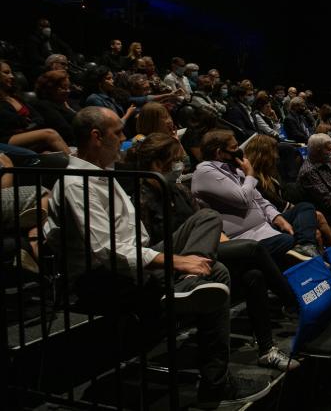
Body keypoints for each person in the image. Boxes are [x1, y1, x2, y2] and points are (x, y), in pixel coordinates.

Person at [46, 107, 271, 405]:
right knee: (217, 273)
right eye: (118, 133)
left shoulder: (103, 173)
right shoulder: (78, 183)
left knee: (206, 217)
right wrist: (175, 261)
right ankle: (216, 386)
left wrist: (179, 260)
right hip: (105, 278)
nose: (124, 138)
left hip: (139, 260)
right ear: (96, 137)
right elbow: (106, 250)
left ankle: (189, 282)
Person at [128, 132, 298, 371]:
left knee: (254, 274)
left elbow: (208, 227)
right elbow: (146, 248)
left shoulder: (179, 191)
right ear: (158, 164)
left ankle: (267, 349)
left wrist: (227, 245)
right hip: (172, 266)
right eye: (177, 160)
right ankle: (294, 303)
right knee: (254, 250)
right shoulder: (141, 200)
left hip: (204, 255)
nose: (182, 165)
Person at [191, 130, 316, 266]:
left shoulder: (235, 170)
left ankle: (305, 247)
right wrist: (250, 174)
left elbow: (260, 200)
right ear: (219, 153)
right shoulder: (205, 172)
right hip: (246, 236)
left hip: (266, 225)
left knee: (304, 207)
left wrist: (277, 217)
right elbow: (243, 199)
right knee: (287, 240)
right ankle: (301, 252)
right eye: (234, 148)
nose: (239, 150)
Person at [244, 133, 331, 251]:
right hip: (269, 220)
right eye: (274, 151)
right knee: (315, 231)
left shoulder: (269, 174)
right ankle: (320, 259)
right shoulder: (251, 178)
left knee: (317, 214)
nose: (276, 156)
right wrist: (294, 209)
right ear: (263, 154)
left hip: (281, 212)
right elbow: (273, 204)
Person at [0, 60, 71, 153]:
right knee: (49, 134)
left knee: (49, 153)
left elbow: (38, 118)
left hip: (26, 133)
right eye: (6, 73)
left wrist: (27, 123)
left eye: (11, 73)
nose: (12, 76)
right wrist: (25, 122)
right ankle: (79, 166)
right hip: (5, 139)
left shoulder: (16, 97)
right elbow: (9, 122)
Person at [33, 70, 77, 146]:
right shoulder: (44, 105)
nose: (68, 91)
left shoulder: (68, 101)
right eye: (63, 87)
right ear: (50, 88)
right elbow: (65, 130)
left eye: (68, 87)